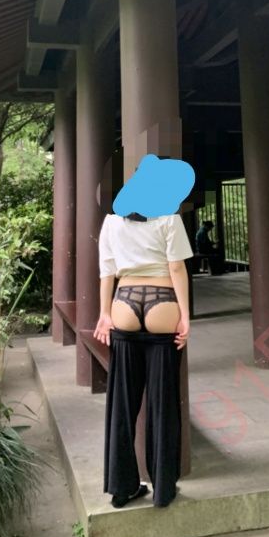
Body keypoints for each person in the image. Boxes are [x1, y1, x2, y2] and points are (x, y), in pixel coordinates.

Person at [94, 200, 194, 509]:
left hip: (124, 303)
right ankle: (163, 489)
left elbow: (107, 272)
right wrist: (185, 315)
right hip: (162, 303)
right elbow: (176, 268)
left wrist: (104, 314)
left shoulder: (111, 222)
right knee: (163, 403)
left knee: (122, 404)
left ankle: (122, 489)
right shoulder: (169, 219)